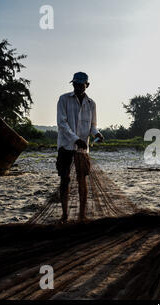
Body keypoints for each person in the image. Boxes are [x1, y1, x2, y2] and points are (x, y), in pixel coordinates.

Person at [56, 72, 104, 222]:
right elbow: (62, 123)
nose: (77, 87)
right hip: (66, 146)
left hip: (82, 149)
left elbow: (92, 126)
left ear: (87, 85)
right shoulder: (64, 99)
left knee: (82, 178)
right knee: (65, 179)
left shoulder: (91, 104)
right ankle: (64, 214)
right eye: (75, 84)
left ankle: (82, 214)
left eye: (80, 85)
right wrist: (76, 139)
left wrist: (97, 134)